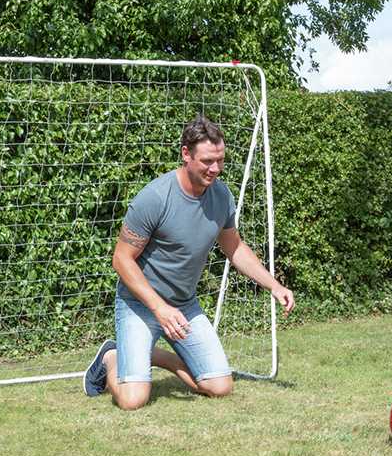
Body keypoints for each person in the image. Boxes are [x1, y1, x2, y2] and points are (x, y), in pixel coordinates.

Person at [83, 114, 295, 410]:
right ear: (186, 154)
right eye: (208, 161)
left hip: (184, 306)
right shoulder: (155, 197)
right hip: (140, 305)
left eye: (220, 160)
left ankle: (154, 356)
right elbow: (121, 259)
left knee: (220, 386)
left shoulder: (221, 196)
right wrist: (159, 308)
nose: (216, 169)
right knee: (133, 400)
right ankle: (112, 356)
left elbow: (234, 248)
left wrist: (273, 285)